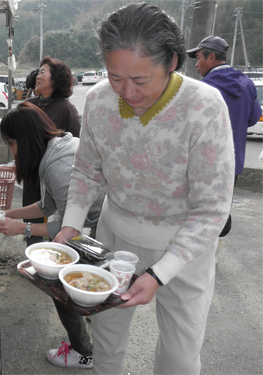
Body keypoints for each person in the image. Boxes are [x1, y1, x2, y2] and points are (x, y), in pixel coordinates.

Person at [53, 3, 234, 374]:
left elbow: (211, 208)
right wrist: (70, 225)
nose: (127, 93)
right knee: (107, 339)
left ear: (172, 62)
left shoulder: (203, 107)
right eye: (116, 77)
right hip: (115, 237)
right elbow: (87, 171)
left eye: (140, 80)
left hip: (186, 247)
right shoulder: (101, 100)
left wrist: (159, 273)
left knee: (180, 357)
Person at [0, 102, 103, 369]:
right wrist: (8, 213)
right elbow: (47, 206)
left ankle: (84, 352)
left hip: (99, 231)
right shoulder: (54, 149)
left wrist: (25, 229)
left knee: (61, 285)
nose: (12, 151)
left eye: (11, 143)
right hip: (87, 226)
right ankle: (90, 341)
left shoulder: (59, 164)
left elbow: (71, 227)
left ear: (22, 140)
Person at [187, 35, 262, 241]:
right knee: (219, 214)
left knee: (195, 214)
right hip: (233, 162)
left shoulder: (203, 88)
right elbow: (254, 118)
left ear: (212, 57)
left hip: (202, 163)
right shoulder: (247, 84)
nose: (196, 64)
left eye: (199, 58)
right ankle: (213, 254)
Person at [23, 57, 82, 246]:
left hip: (57, 178)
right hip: (32, 173)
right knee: (31, 220)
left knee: (58, 220)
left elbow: (78, 145)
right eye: (38, 71)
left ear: (55, 80)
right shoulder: (29, 104)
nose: (38, 76)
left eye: (43, 72)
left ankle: (57, 254)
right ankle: (33, 254)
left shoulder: (66, 109)